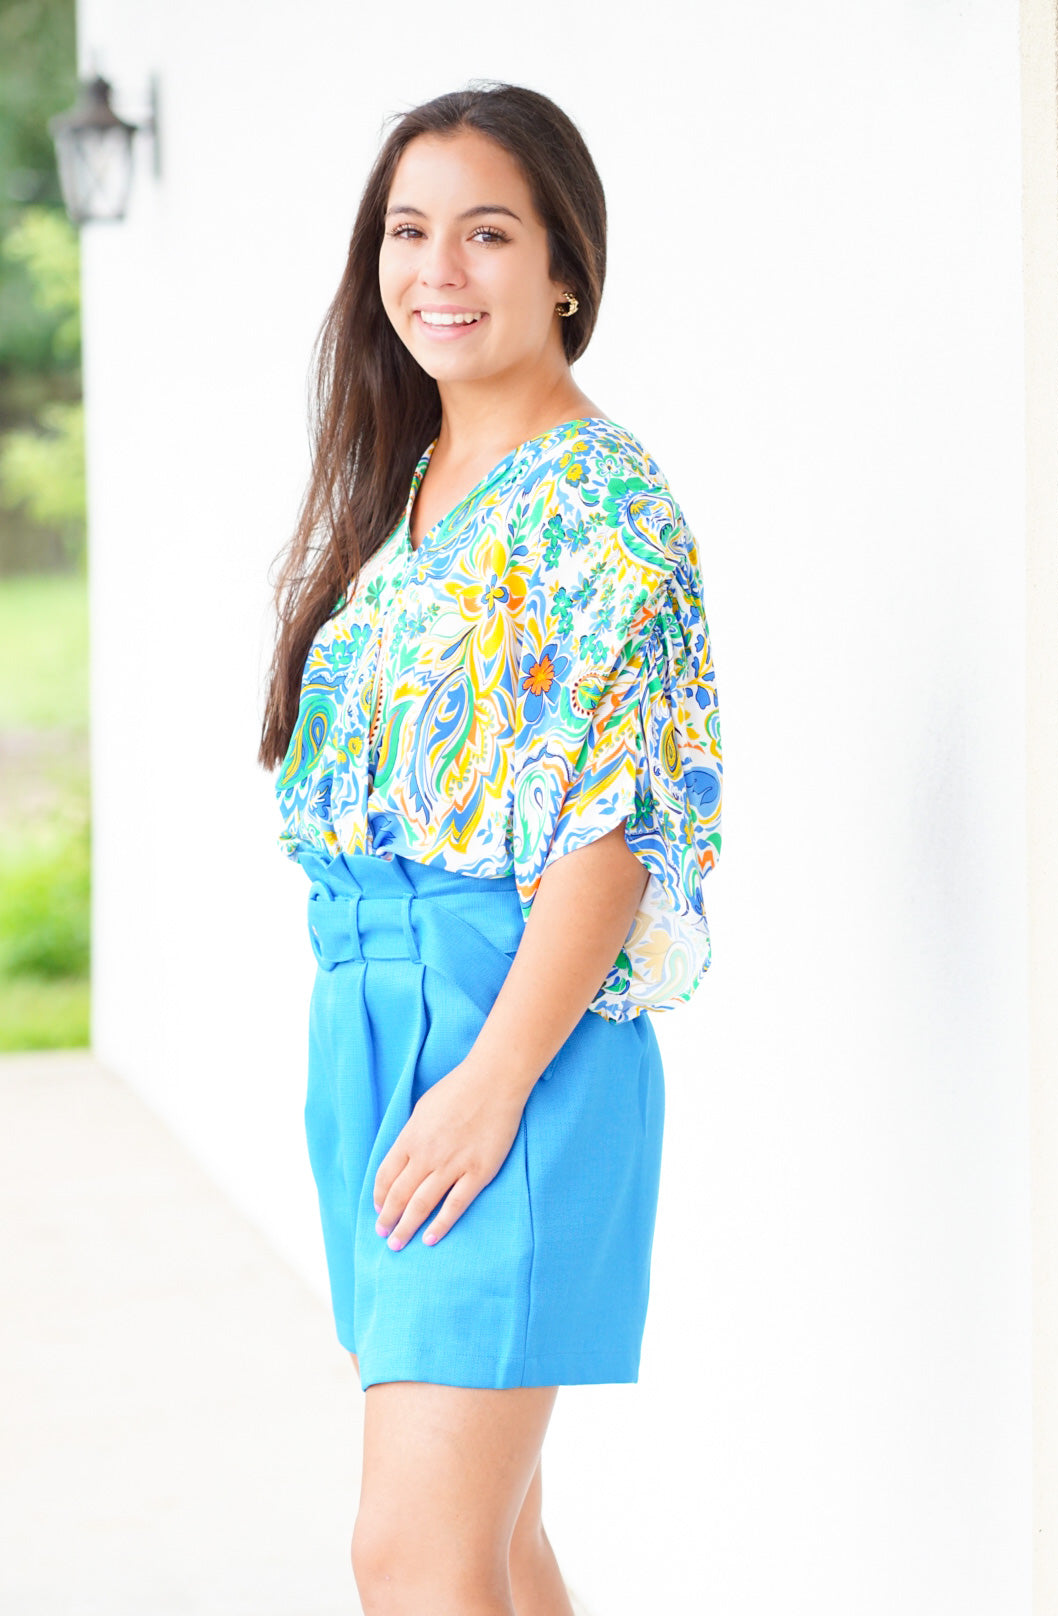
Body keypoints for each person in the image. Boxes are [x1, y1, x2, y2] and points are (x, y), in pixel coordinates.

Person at [258, 78, 723, 1616]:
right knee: (494, 1541)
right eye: (408, 232)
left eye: (487, 233)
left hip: (508, 1029)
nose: (437, 271)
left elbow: (616, 827)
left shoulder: (602, 502)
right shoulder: (409, 484)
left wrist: (491, 1079)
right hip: (372, 1030)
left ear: (566, 268)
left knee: (415, 1551)